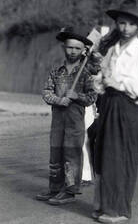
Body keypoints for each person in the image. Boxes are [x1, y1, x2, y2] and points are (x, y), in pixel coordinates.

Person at [92, 0, 138, 223]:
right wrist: (99, 82)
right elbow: (102, 78)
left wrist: (118, 82)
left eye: (130, 24)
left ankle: (118, 209)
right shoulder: (112, 50)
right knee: (105, 154)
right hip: (109, 104)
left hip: (129, 107)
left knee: (122, 156)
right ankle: (103, 205)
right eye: (121, 23)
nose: (125, 28)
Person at [36, 28, 97, 205]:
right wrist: (58, 100)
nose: (73, 51)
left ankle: (69, 191)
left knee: (72, 155)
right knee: (55, 153)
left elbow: (93, 96)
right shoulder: (56, 71)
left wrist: (77, 96)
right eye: (70, 47)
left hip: (75, 121)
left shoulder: (85, 74)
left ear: (82, 51)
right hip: (57, 121)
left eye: (77, 49)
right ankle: (54, 188)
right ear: (64, 47)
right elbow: (46, 91)